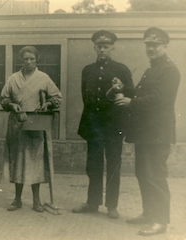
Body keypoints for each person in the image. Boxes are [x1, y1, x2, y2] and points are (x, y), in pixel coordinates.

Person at [115, 27, 180, 236]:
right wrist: (124, 88)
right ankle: (148, 214)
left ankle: (160, 221)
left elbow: (159, 100)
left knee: (155, 176)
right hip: (146, 132)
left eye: (155, 45)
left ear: (165, 46)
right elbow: (143, 93)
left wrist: (130, 102)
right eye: (148, 45)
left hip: (157, 134)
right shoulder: (152, 69)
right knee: (143, 174)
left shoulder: (170, 70)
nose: (151, 49)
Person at [73, 30, 134, 219]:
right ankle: (92, 203)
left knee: (114, 164)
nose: (102, 50)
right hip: (94, 126)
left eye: (106, 47)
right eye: (99, 47)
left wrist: (120, 91)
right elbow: (86, 97)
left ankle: (112, 206)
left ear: (112, 48)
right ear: (94, 48)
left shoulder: (122, 69)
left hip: (114, 126)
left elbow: (131, 93)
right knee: (93, 165)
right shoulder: (87, 70)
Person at [1, 46, 62, 212]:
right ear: (21, 61)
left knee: (36, 162)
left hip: (36, 124)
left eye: (32, 59)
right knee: (18, 161)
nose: (28, 62)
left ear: (37, 60)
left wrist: (48, 104)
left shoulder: (43, 78)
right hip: (17, 125)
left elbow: (57, 98)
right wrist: (12, 105)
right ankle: (17, 199)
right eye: (25, 59)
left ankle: (37, 200)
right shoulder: (13, 79)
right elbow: (4, 99)